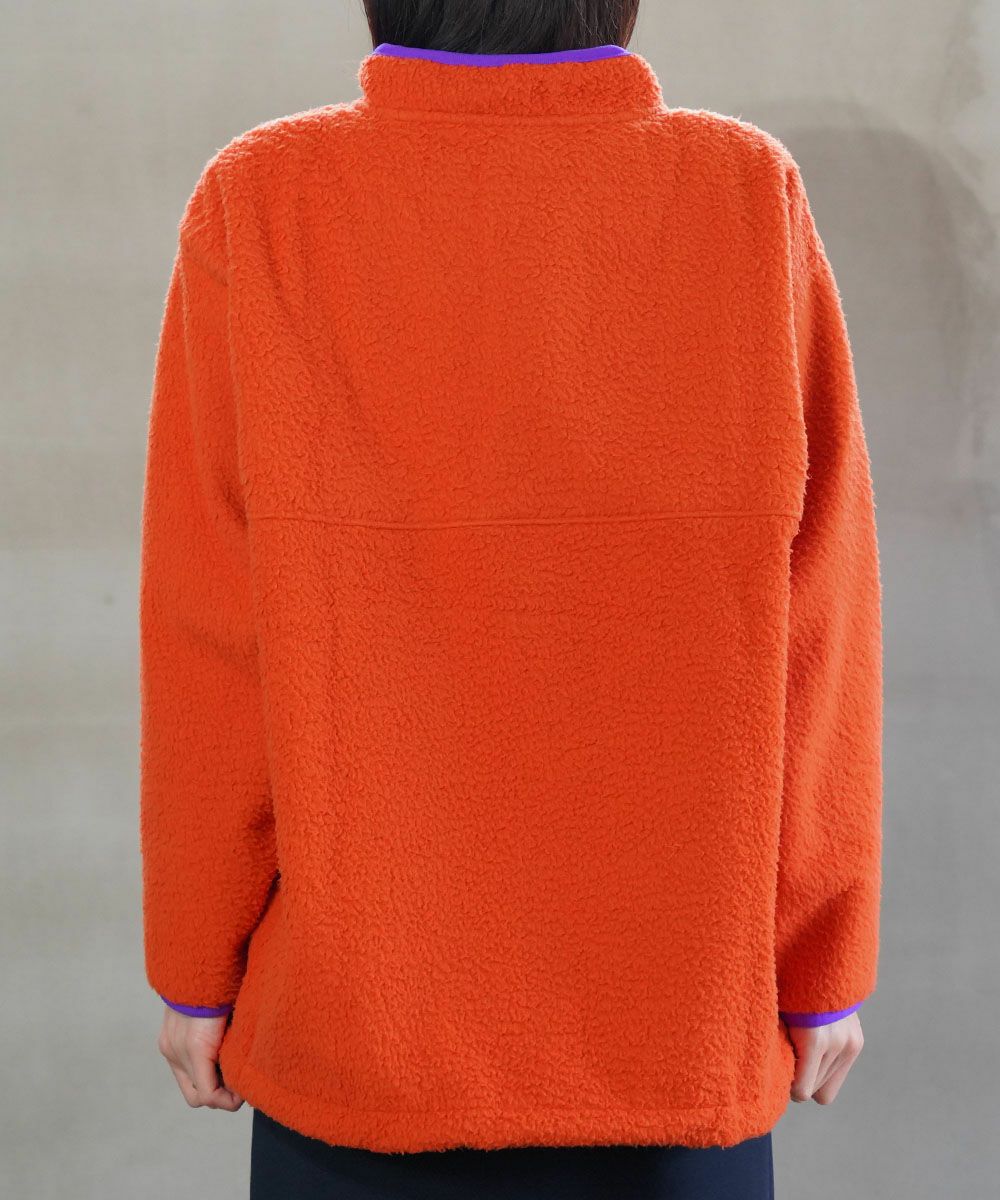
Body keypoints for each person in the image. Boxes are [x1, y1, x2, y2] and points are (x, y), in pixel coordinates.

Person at [138, 1, 883, 1196]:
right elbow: (818, 622)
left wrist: (196, 959)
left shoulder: (267, 196)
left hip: (365, 1043)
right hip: (671, 1040)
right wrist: (823, 957)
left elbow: (211, 630)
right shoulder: (743, 192)